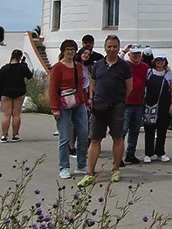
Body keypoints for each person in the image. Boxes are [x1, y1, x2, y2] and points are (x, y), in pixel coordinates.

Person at [78, 35, 132, 187]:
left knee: (117, 138)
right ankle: (90, 172)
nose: (112, 49)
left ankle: (115, 169)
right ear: (105, 47)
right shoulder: (98, 65)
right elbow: (93, 83)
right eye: (109, 46)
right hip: (99, 105)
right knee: (95, 139)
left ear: (118, 47)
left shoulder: (124, 66)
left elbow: (129, 87)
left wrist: (121, 101)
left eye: (115, 46)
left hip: (117, 105)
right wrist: (92, 98)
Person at [50, 40, 88, 179]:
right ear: (63, 51)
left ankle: (81, 164)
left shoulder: (78, 66)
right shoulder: (58, 68)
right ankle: (64, 166)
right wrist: (55, 108)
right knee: (65, 137)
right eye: (68, 49)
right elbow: (53, 89)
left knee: (84, 134)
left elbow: (81, 85)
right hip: (63, 105)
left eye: (73, 49)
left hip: (79, 103)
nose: (70, 52)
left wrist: (85, 100)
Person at [142, 55, 172, 162]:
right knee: (149, 130)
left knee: (162, 130)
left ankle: (160, 152)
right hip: (149, 105)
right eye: (158, 60)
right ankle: (148, 154)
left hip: (164, 105)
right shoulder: (149, 72)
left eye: (162, 60)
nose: (160, 62)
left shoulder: (169, 74)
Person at [0, 49, 33, 143]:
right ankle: (15, 135)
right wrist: (25, 65)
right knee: (16, 114)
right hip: (19, 92)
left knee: (6, 114)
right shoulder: (22, 67)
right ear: (20, 57)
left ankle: (4, 136)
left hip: (6, 93)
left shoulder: (4, 68)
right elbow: (29, 76)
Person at [123, 45, 151, 164]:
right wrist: (124, 50)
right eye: (134, 54)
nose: (137, 56)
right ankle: (118, 155)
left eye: (139, 54)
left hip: (139, 103)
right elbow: (116, 61)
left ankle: (130, 154)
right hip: (126, 103)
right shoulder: (125, 65)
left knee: (135, 130)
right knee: (122, 131)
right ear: (129, 55)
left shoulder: (145, 67)